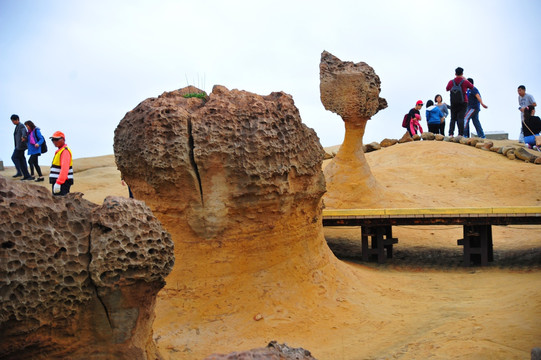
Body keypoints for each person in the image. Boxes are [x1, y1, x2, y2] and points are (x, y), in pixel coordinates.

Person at [445, 67, 473, 137]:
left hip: (453, 102)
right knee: (461, 118)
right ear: (462, 73)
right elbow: (472, 87)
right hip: (463, 102)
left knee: (453, 118)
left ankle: (451, 134)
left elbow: (447, 89)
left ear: (455, 73)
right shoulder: (465, 81)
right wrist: (465, 79)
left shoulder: (451, 82)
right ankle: (460, 134)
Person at [49, 131, 73, 196]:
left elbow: (64, 168)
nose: (54, 141)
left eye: (56, 139)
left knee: (60, 202)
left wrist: (59, 182)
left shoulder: (65, 151)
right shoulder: (60, 151)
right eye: (53, 140)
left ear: (63, 139)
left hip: (62, 183)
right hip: (59, 182)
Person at [10, 114, 32, 180]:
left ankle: (20, 172)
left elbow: (24, 132)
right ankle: (26, 175)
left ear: (17, 120)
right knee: (22, 160)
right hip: (18, 146)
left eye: (14, 120)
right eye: (12, 121)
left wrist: (24, 137)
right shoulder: (17, 126)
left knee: (14, 157)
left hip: (20, 146)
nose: (13, 122)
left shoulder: (21, 125)